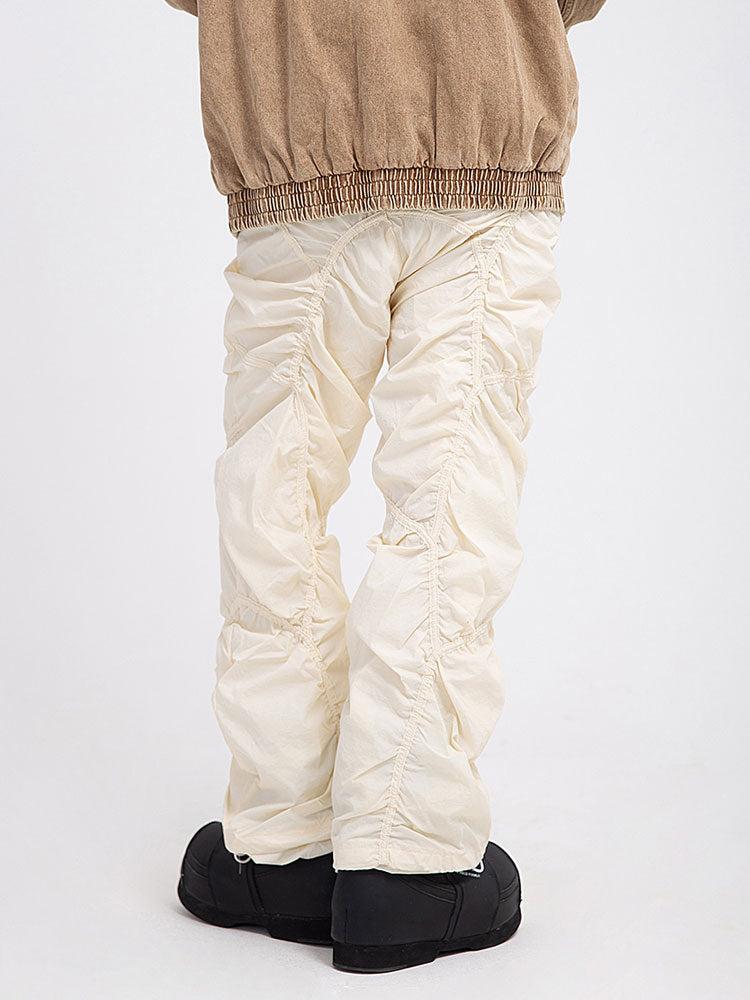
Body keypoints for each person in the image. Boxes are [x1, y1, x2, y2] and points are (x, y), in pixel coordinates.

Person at [165, 0, 607, 974]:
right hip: (485, 134)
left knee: (275, 497)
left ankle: (283, 840)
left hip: (293, 141)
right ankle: (408, 857)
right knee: (451, 501)